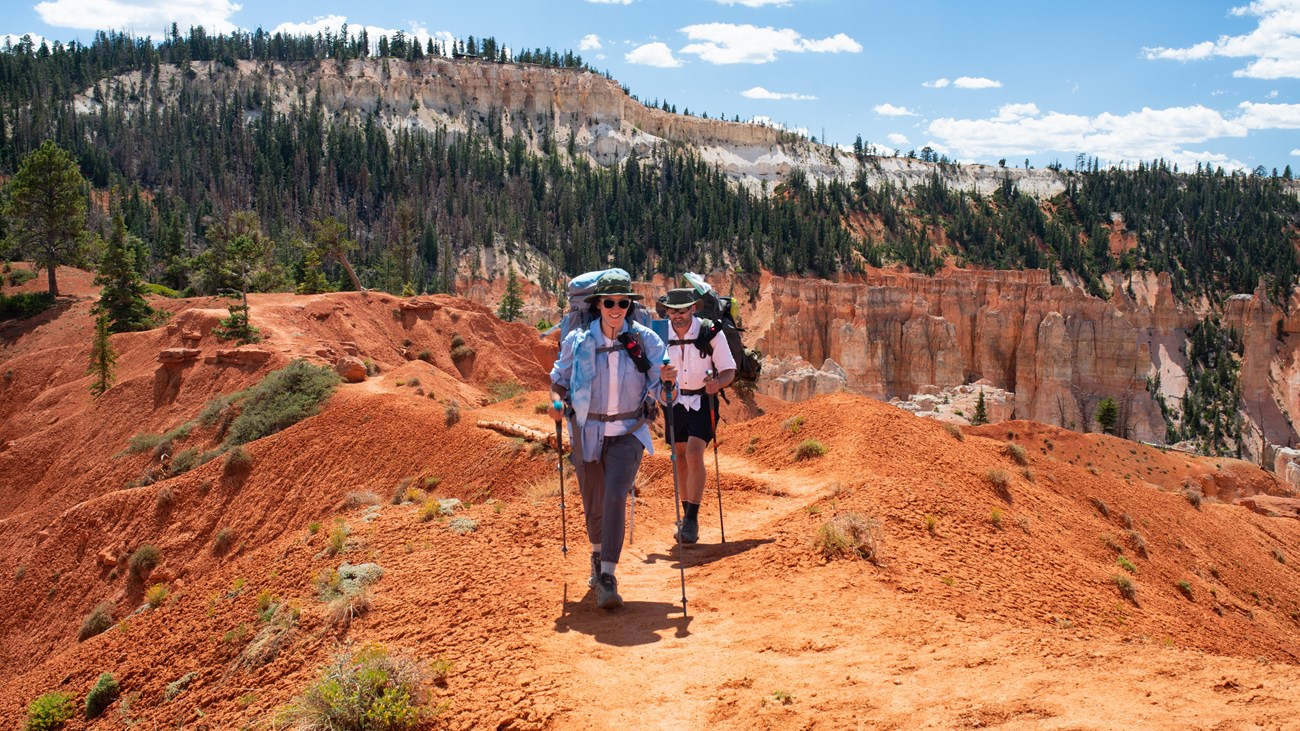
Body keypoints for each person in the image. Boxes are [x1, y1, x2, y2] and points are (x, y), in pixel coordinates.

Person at [548, 271, 666, 610]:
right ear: (598, 305)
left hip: (628, 432)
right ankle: (597, 557)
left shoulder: (645, 341)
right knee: (594, 502)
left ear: (629, 305)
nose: (616, 309)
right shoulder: (579, 342)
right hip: (587, 432)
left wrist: (669, 385)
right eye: (609, 302)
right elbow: (558, 380)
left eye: (623, 303)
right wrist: (555, 403)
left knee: (615, 495)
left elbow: (661, 388)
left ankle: (608, 575)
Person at [656, 287, 736, 544]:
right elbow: (649, 369)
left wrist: (718, 384)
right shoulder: (660, 335)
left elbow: (728, 370)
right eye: (672, 311)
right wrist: (660, 378)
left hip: (704, 399)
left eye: (683, 310)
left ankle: (691, 519)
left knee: (693, 453)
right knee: (679, 457)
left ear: (693, 308)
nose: (677, 316)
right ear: (666, 311)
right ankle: (686, 513)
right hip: (674, 400)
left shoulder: (709, 332)